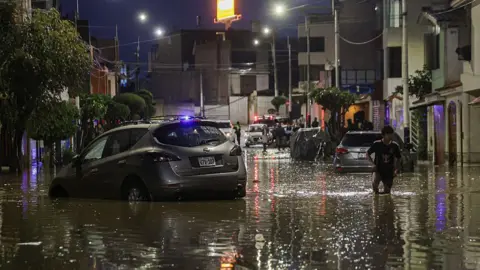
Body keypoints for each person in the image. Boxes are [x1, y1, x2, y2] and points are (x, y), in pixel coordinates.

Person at [366, 126, 402, 195]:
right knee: (375, 185)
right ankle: (376, 202)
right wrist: (373, 164)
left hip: (389, 171)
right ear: (383, 135)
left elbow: (398, 158)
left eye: (391, 134)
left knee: (387, 192)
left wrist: (396, 169)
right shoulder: (377, 144)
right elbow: (367, 154)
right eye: (388, 134)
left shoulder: (395, 146)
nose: (390, 136)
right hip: (378, 169)